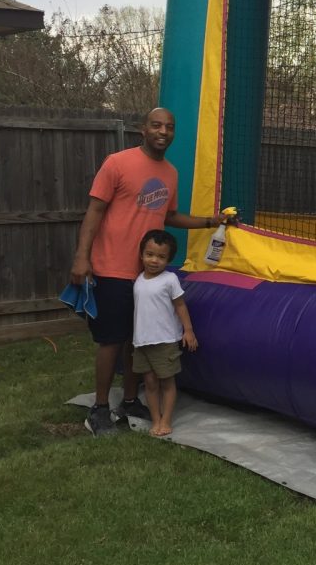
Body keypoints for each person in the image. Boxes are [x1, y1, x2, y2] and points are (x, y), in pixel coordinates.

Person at [70, 107, 222, 437]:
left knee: (135, 342)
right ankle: (98, 409)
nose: (163, 131)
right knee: (111, 340)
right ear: (143, 129)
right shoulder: (117, 163)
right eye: (156, 125)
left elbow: (169, 216)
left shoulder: (169, 173)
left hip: (146, 275)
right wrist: (82, 257)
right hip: (111, 268)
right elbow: (94, 211)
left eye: (169, 126)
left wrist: (210, 222)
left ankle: (128, 400)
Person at [132, 229, 197, 437]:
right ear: (141, 255)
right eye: (150, 254)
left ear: (168, 259)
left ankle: (166, 420)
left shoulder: (170, 280)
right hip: (142, 342)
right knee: (150, 383)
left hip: (165, 340)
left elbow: (180, 306)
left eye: (161, 257)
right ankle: (156, 419)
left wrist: (188, 331)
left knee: (167, 382)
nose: (154, 260)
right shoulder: (138, 279)